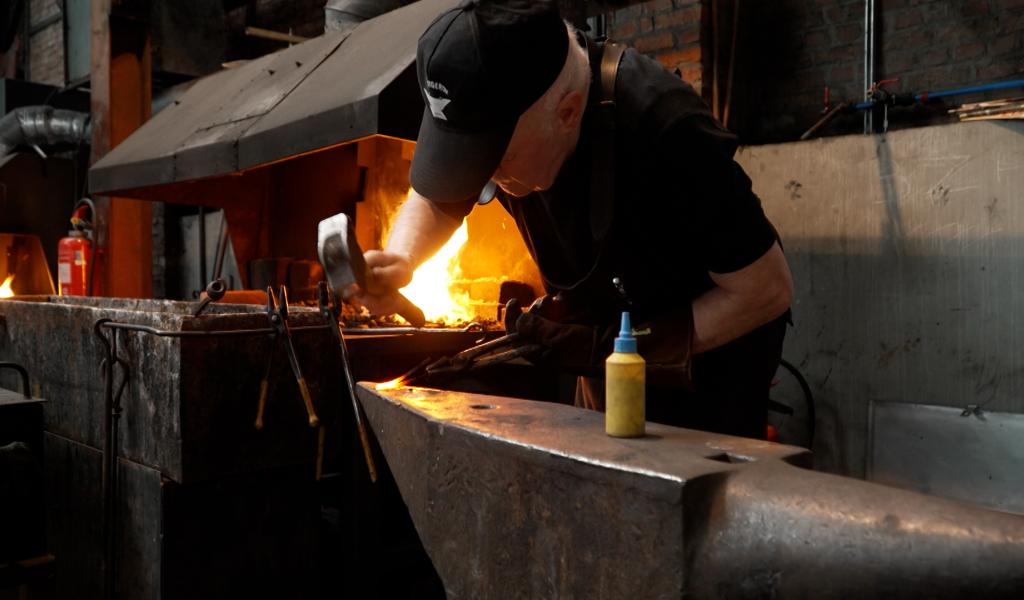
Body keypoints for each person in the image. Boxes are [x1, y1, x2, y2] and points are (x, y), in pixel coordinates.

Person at [357, 0, 793, 439]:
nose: (483, 177)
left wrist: (611, 345)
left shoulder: (667, 131)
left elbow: (765, 289)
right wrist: (401, 257)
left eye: (494, 159)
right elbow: (438, 198)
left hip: (706, 381)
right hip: (608, 360)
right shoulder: (509, 113)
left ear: (566, 113)